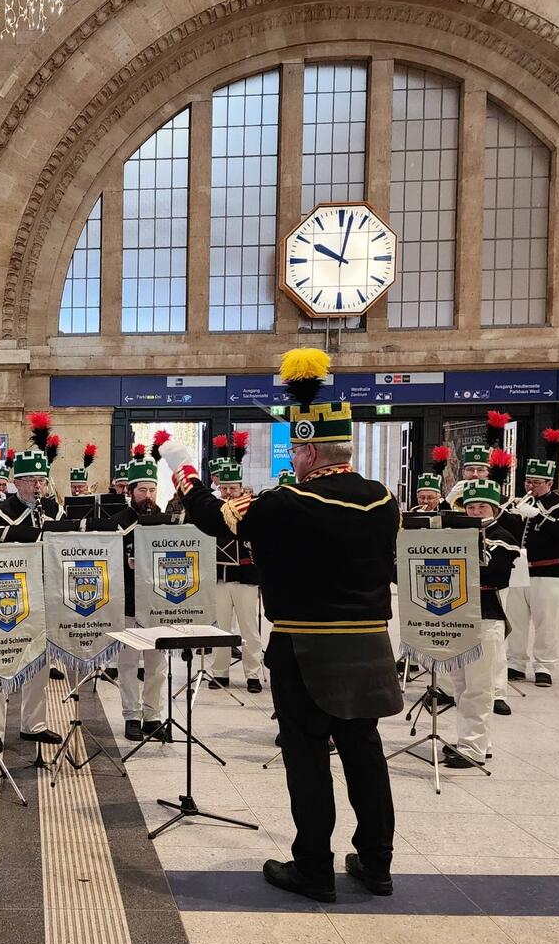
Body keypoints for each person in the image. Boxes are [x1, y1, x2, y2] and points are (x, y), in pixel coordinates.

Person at [168, 348, 401, 903]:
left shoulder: (290, 501)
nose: (293, 457)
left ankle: (314, 867)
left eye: (297, 447)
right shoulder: (386, 499)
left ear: (312, 450)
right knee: (364, 753)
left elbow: (215, 518)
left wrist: (184, 470)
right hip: (369, 645)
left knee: (308, 758)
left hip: (307, 648)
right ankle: (377, 862)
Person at [0, 442, 65, 749]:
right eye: (31, 481)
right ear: (17, 483)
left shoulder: (53, 509)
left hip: (44, 595)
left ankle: (33, 723)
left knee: (39, 661)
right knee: (1, 658)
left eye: (41, 481)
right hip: (8, 594)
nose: (38, 486)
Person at [445, 463, 523, 768]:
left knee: (478, 686)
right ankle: (476, 741)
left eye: (481, 506)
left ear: (492, 507)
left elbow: (499, 576)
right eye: (470, 506)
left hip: (485, 615)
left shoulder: (502, 535)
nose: (475, 511)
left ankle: (473, 748)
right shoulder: (454, 532)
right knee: (460, 685)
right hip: (457, 616)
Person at [506, 431, 559, 687]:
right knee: (516, 619)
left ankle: (544, 666)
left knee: (545, 621)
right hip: (518, 571)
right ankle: (515, 663)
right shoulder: (521, 500)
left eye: (535, 482)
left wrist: (536, 515)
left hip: (547, 571)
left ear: (548, 482)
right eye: (527, 482)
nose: (530, 487)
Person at [109, 445, 166, 741]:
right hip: (129, 601)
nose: (148, 496)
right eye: (142, 490)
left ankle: (153, 715)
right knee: (129, 662)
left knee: (158, 664)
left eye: (152, 490)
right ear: (131, 491)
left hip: (159, 604)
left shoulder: (166, 521)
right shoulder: (117, 522)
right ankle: (131, 715)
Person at [208, 451, 263, 693]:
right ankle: (220, 673)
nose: (228, 493)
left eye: (233, 488)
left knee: (249, 627)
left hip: (246, 578)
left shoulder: (253, 509)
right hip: (219, 577)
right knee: (220, 628)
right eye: (225, 488)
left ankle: (253, 674)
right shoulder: (215, 510)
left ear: (241, 488)